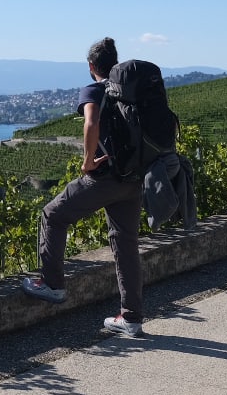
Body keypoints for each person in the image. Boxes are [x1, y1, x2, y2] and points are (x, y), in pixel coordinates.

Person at [20, 36, 146, 337]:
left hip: (106, 177)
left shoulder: (94, 89)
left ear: (92, 67)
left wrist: (88, 161)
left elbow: (91, 123)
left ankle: (52, 285)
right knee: (126, 243)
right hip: (134, 178)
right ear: (114, 63)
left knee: (52, 214)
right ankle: (131, 318)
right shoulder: (132, 90)